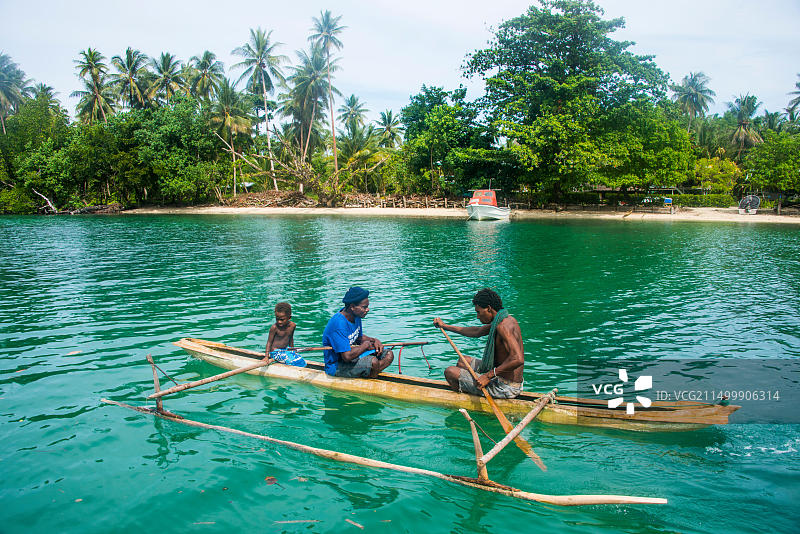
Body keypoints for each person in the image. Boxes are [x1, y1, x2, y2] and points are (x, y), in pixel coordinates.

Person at [433, 288, 524, 399]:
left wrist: (487, 376)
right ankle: (470, 388)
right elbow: (476, 331)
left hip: (506, 387)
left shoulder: (503, 327)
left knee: (450, 372)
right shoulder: (504, 319)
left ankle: (467, 400)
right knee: (463, 361)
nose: (477, 316)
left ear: (489, 309)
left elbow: (518, 359)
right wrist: (444, 326)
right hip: (500, 376)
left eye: (478, 312)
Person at [322, 286, 394, 378]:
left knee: (388, 355)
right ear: (352, 307)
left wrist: (374, 340)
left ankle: (370, 373)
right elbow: (347, 356)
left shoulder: (356, 316)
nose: (367, 309)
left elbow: (359, 338)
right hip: (336, 365)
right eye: (364, 307)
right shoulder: (339, 324)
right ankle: (371, 375)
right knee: (373, 362)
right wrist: (365, 346)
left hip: (354, 356)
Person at [266, 302, 305, 367]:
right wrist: (266, 356)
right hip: (276, 352)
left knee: (301, 361)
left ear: (289, 317)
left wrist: (292, 350)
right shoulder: (274, 328)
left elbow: (291, 339)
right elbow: (269, 342)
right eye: (277, 319)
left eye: (282, 319)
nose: (279, 321)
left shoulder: (292, 326)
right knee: (291, 361)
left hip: (286, 350)